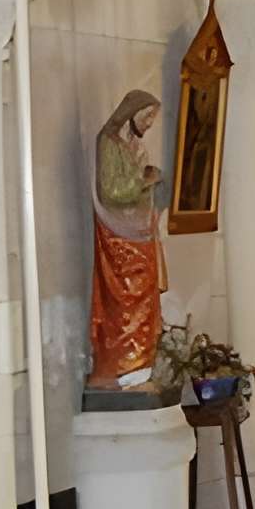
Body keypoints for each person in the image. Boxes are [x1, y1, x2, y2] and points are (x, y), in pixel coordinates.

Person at [88, 90, 167, 389]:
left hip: (137, 233)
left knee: (144, 296)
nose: (148, 124)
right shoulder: (108, 143)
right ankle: (122, 366)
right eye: (146, 117)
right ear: (131, 112)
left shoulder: (132, 146)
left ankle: (139, 365)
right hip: (118, 239)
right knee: (125, 298)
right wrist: (144, 180)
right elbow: (111, 192)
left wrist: (147, 177)